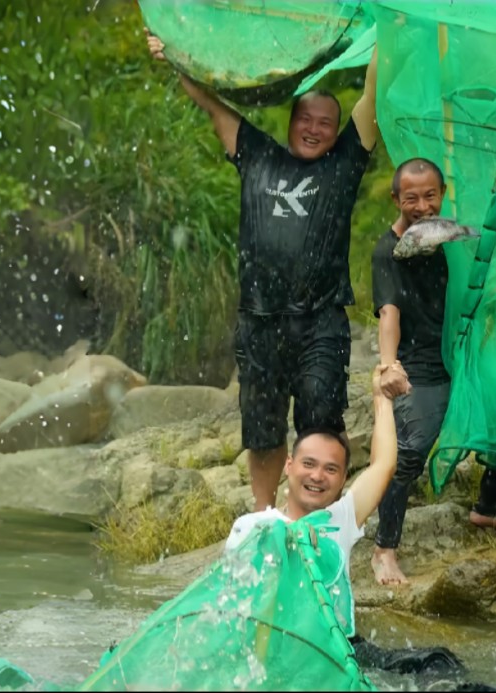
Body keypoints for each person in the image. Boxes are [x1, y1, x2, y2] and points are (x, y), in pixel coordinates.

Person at [145, 27, 381, 513]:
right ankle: (263, 514)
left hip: (321, 321)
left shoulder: (342, 167)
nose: (314, 129)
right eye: (306, 120)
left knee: (321, 417)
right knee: (263, 425)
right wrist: (172, 52)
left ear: (336, 132)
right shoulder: (257, 155)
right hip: (259, 320)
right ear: (291, 123)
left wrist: (390, 36)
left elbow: (373, 97)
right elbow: (212, 105)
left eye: (325, 123)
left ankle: (312, 517)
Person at [224, 361, 490, 688]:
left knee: (439, 662)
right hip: (289, 651)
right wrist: (287, 536)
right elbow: (240, 592)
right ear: (289, 466)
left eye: (330, 469)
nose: (318, 476)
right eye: (309, 464)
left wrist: (381, 398)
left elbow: (384, 464)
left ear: (342, 479)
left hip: (346, 647)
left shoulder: (341, 519)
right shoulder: (255, 525)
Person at [370, 158, 496, 587]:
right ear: (396, 199)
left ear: (443, 193)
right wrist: (390, 365)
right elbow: (389, 314)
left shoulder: (455, 235)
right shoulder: (390, 250)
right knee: (411, 451)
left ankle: (491, 507)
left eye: (430, 195)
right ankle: (384, 551)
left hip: (465, 355)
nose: (422, 206)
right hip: (422, 365)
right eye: (411, 198)